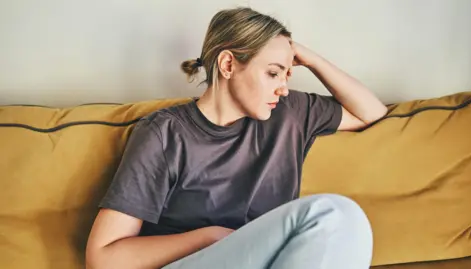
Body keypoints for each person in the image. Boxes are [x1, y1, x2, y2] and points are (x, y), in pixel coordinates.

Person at [85, 6, 387, 269]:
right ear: (228, 64)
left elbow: (370, 112)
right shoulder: (165, 134)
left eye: (287, 74)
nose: (282, 87)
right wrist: (210, 237)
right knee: (333, 214)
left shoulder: (288, 113)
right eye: (272, 73)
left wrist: (310, 58)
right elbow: (104, 259)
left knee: (349, 224)